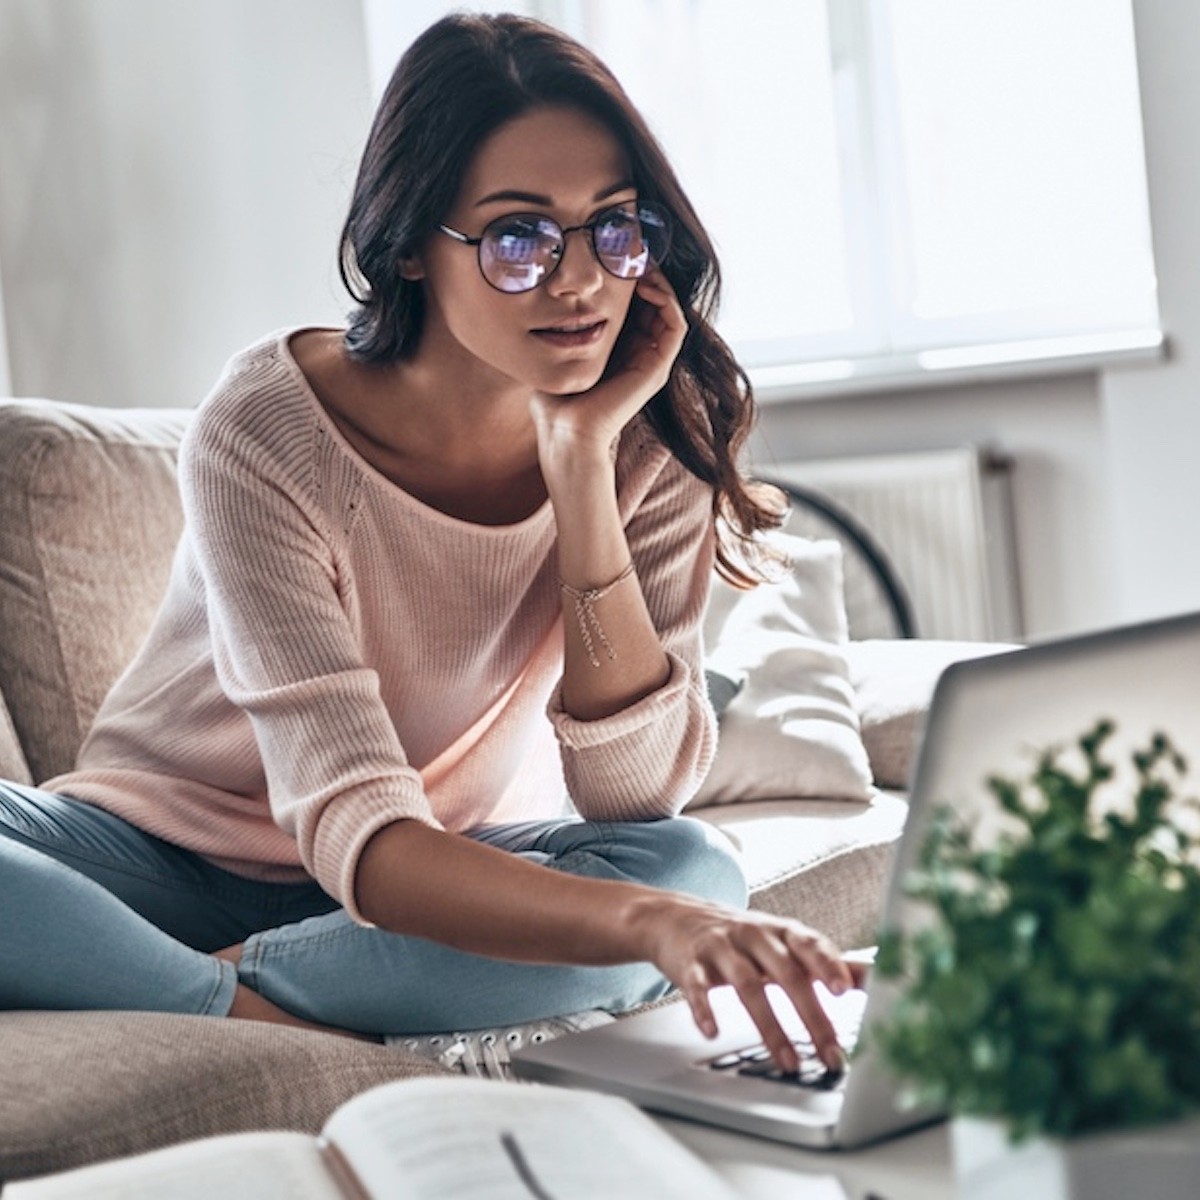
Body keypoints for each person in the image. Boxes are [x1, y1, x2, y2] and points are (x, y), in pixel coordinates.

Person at [0, 12, 863, 1077]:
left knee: (691, 873)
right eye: (518, 237)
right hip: (154, 856)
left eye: (615, 227)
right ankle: (229, 1006)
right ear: (409, 245)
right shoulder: (267, 429)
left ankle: (130, 977)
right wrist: (641, 937)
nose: (582, 279)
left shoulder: (652, 430)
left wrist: (582, 470)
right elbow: (361, 831)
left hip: (436, 874)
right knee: (654, 918)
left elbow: (634, 797)